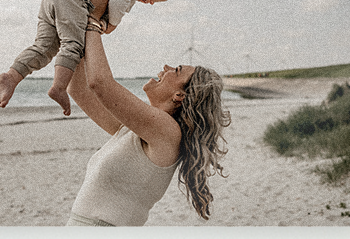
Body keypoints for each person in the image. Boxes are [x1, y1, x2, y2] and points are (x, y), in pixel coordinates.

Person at [64, 24, 230, 224]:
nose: (166, 67)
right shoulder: (137, 131)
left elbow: (100, 83)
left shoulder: (167, 132)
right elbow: (78, 88)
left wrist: (93, 23)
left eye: (176, 71)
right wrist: (74, 27)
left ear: (179, 96)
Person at [0, 0, 180, 116]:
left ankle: (12, 76)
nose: (152, 3)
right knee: (73, 45)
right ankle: (59, 87)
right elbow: (117, 1)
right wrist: (111, 25)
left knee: (45, 47)